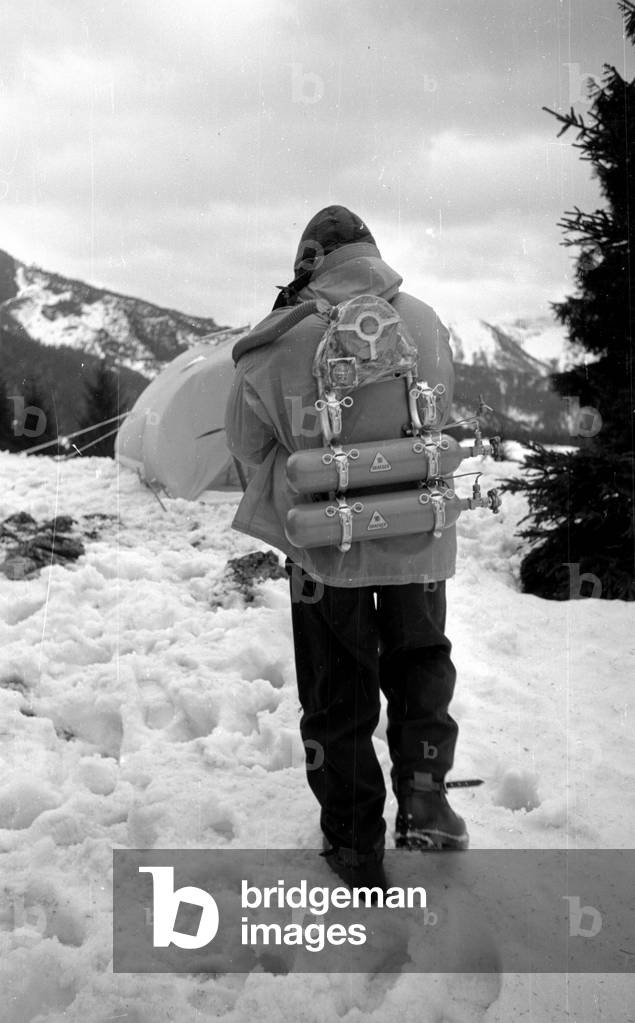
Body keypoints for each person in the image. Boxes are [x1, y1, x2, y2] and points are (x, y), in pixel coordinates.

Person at [225, 206, 467, 889]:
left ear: (308, 260)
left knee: (338, 691)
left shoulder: (279, 337)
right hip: (417, 531)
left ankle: (354, 841)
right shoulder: (425, 319)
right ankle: (424, 797)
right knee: (421, 662)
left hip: (327, 548)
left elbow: (245, 444)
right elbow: (438, 417)